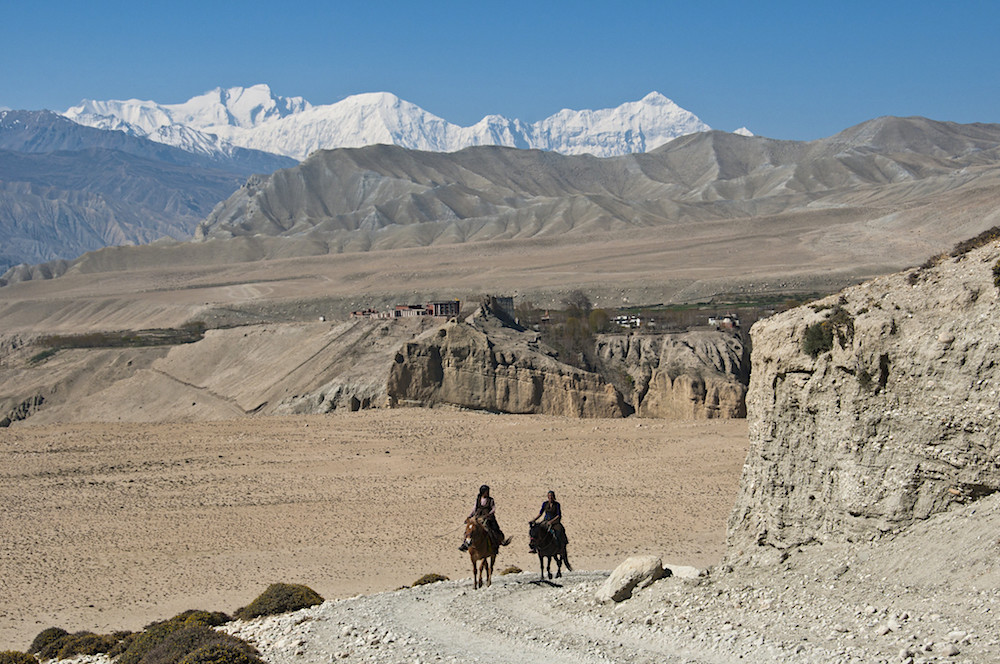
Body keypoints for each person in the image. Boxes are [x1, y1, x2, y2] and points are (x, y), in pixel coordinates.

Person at [460, 484, 511, 551]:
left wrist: (488, 515)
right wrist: (469, 516)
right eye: (486, 491)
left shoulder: (491, 500)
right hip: (478, 517)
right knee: (469, 529)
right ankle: (465, 544)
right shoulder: (478, 499)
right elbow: (474, 509)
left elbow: (493, 509)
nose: (487, 493)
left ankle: (497, 543)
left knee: (494, 529)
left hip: (488, 518)